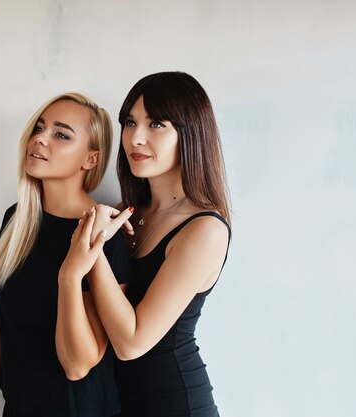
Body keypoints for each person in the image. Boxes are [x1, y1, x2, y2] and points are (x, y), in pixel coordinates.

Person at [61, 72, 231, 417]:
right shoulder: (128, 213)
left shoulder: (204, 230)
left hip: (176, 404)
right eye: (130, 122)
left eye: (156, 124)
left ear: (190, 133)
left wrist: (94, 252)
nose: (135, 138)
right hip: (120, 404)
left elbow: (131, 343)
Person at [0, 93, 132, 417]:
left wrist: (69, 276)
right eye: (39, 128)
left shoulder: (102, 235)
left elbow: (78, 365)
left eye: (60, 134)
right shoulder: (16, 220)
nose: (40, 139)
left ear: (90, 159)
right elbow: (0, 317)